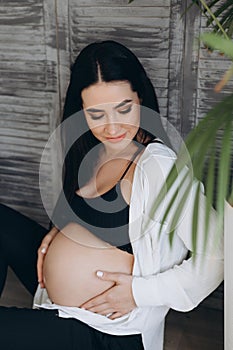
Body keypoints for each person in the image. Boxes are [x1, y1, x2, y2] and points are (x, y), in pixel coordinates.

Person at [0, 40, 223, 350]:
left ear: (140, 98)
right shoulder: (89, 150)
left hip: (108, 331)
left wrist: (139, 293)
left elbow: (219, 253)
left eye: (124, 108)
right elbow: (89, 215)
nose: (112, 127)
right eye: (96, 114)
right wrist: (58, 231)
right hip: (56, 300)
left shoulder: (157, 166)